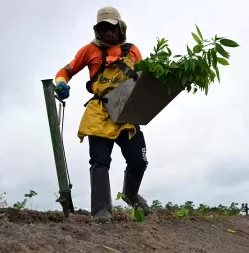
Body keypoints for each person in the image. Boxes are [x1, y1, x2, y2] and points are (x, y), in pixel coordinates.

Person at [54, 6, 150, 224]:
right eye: (102, 28)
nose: (107, 33)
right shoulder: (88, 51)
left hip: (126, 113)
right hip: (100, 111)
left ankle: (131, 195)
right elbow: (65, 72)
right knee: (99, 162)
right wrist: (61, 84)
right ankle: (101, 213)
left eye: (111, 28)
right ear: (97, 30)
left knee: (139, 161)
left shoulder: (132, 51)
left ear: (120, 28)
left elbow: (144, 79)